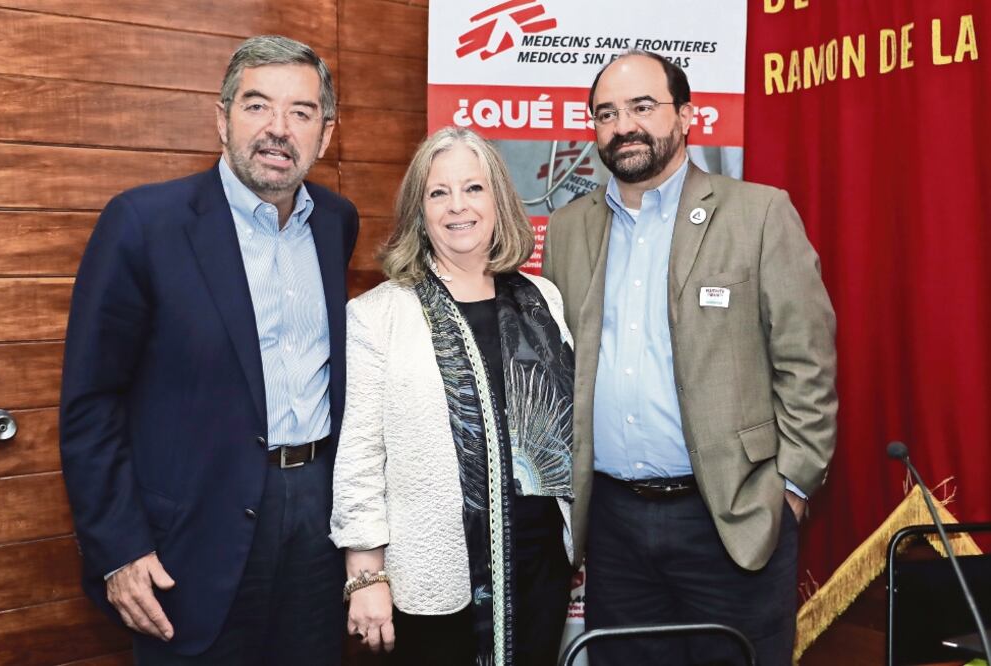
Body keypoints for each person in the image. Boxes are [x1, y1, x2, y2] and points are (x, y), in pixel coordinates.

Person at [59, 35, 358, 665]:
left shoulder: (336, 222)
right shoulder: (144, 223)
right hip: (193, 535)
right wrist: (118, 548)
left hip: (316, 524)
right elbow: (92, 403)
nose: (278, 130)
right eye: (257, 107)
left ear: (324, 136)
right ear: (220, 118)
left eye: (301, 113)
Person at [542, 50, 837, 665]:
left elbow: (806, 361)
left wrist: (790, 487)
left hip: (731, 517)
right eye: (606, 113)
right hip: (615, 527)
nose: (623, 125)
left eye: (643, 107)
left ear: (687, 116)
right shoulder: (569, 229)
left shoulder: (758, 214)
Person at [330, 126, 575, 666]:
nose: (457, 206)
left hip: (539, 568)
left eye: (474, 188)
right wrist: (365, 575)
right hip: (435, 570)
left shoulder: (544, 299)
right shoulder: (378, 315)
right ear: (420, 212)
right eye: (438, 192)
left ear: (500, 202)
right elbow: (359, 457)